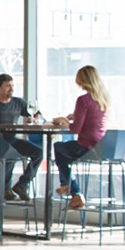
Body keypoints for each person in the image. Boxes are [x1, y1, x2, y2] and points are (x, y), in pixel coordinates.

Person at [51, 65, 109, 211]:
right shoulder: (104, 98)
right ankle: (67, 185)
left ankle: (72, 189)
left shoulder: (83, 99)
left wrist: (64, 121)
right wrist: (76, 116)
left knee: (59, 148)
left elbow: (75, 129)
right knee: (66, 154)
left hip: (86, 145)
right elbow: (94, 118)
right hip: (101, 145)